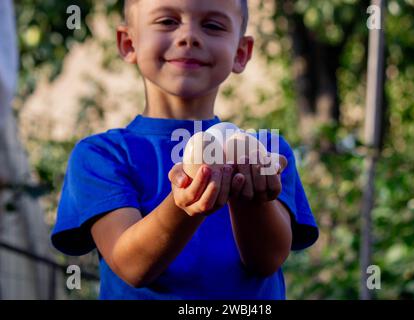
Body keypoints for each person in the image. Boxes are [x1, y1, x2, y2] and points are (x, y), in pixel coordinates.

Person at [51, 0, 319, 300]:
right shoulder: (101, 156)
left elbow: (267, 260)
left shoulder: (266, 150)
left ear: (241, 53)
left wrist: (249, 197)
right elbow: (132, 266)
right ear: (128, 43)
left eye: (213, 25)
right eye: (167, 21)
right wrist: (185, 205)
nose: (189, 36)